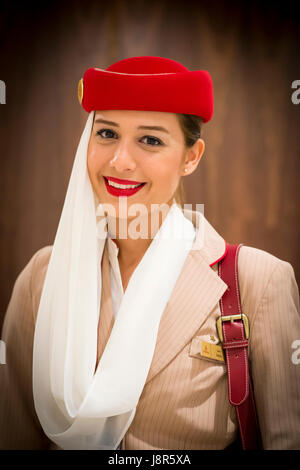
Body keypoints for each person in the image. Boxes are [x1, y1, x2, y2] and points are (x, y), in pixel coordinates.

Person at [0, 56, 299, 450]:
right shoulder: (41, 278)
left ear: (191, 157)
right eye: (106, 133)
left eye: (151, 140)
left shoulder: (257, 281)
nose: (120, 161)